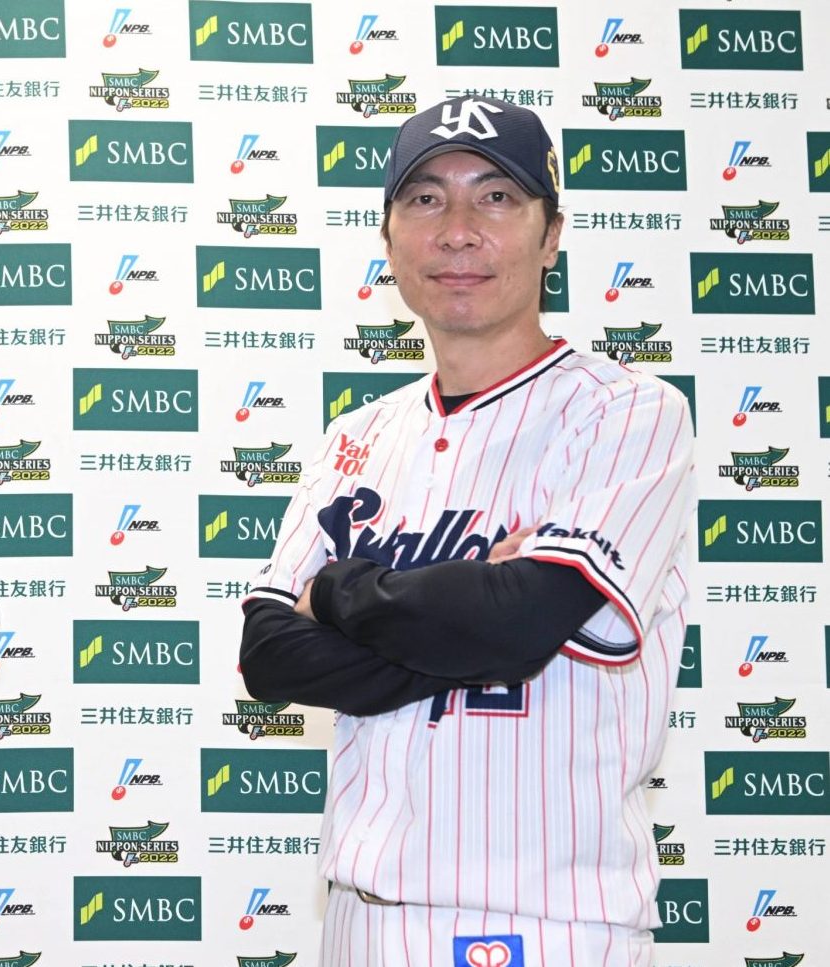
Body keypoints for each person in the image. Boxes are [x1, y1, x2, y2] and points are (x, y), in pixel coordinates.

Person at [240, 96, 693, 967]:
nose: (456, 230)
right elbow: (268, 651)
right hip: (358, 915)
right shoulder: (353, 438)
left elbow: (518, 620)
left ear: (550, 235)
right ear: (389, 239)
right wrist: (471, 613)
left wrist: (340, 591)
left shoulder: (628, 414)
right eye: (424, 199)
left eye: (495, 198)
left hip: (545, 920)